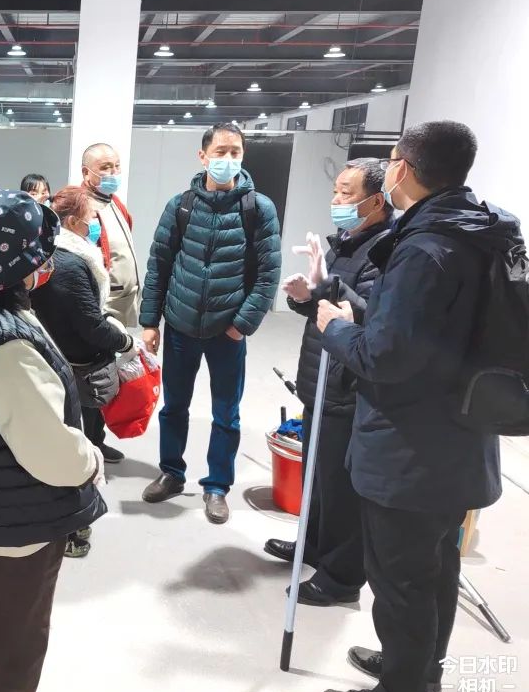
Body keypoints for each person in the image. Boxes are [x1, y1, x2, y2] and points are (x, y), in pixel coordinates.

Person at [315, 121, 514, 692]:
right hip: (460, 432)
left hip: (411, 447)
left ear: (402, 168)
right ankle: (420, 668)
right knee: (436, 567)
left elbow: (386, 358)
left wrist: (335, 328)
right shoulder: (481, 231)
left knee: (400, 578)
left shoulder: (426, 248)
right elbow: (428, 334)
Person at [0, 190, 106, 692]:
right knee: (9, 646)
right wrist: (90, 461)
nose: (51, 261)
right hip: (19, 521)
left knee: (8, 635)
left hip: (1, 502)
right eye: (45, 250)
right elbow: (49, 454)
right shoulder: (8, 347)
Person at [262, 159, 392, 606]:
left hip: (346, 385)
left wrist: (329, 284)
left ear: (375, 201)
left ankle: (340, 577)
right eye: (335, 191)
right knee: (317, 478)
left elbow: (370, 316)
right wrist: (307, 295)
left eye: (346, 193)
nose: (336, 201)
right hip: (320, 378)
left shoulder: (385, 249)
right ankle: (313, 546)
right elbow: (327, 306)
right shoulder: (347, 241)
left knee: (340, 488)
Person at [139, 123, 282, 524]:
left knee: (226, 414)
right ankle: (171, 473)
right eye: (220, 152)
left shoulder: (258, 208)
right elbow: (159, 264)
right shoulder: (181, 205)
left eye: (235, 152)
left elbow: (269, 274)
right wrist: (150, 321)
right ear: (203, 156)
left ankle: (217, 486)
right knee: (174, 407)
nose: (228, 159)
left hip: (227, 332)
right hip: (181, 325)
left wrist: (242, 324)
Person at [29, 185, 133, 558]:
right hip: (74, 366)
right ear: (73, 221)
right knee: (77, 449)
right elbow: (89, 324)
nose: (94, 225)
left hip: (56, 358)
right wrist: (125, 342)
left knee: (72, 440)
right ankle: (75, 529)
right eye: (90, 218)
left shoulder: (50, 253)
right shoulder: (70, 264)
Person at [79, 143, 140, 327]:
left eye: (117, 166)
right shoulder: (81, 208)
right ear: (86, 172)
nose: (114, 172)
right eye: (105, 167)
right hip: (103, 303)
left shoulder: (114, 201)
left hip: (124, 299)